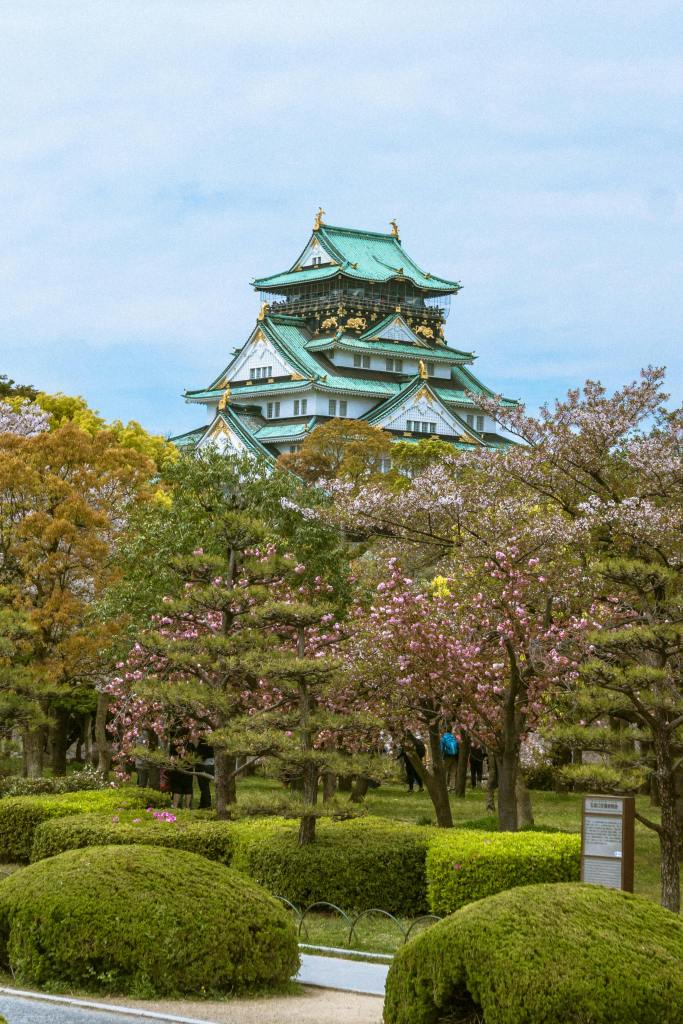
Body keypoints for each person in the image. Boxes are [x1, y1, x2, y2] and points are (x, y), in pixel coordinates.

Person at [195, 738, 214, 810]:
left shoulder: (203, 743)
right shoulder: (211, 742)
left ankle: (207, 804)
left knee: (204, 787)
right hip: (211, 765)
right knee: (205, 787)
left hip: (204, 766)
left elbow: (202, 755)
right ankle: (203, 804)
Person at [440, 726, 459, 791]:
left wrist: (441, 756)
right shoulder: (453, 737)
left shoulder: (443, 737)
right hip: (454, 756)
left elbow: (441, 748)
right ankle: (452, 787)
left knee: (445, 771)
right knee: (453, 772)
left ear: (445, 730)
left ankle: (445, 786)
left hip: (447, 756)